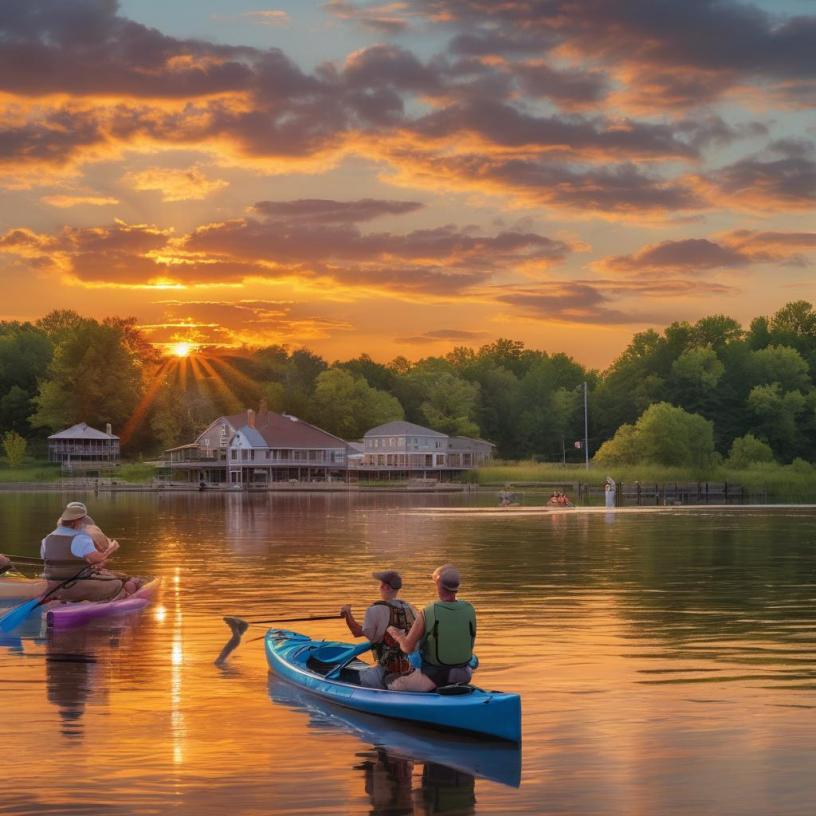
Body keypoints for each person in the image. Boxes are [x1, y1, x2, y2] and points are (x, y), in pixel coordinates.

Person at [386, 564, 476, 692]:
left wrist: (397, 635)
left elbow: (407, 647)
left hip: (435, 678)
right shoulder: (469, 609)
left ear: (439, 585)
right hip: (464, 674)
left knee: (390, 681)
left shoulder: (428, 612)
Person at [40, 501, 143, 602]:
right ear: (76, 522)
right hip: (74, 586)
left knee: (102, 574)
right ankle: (116, 599)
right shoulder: (80, 538)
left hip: (54, 586)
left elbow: (48, 560)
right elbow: (99, 558)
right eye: (82, 521)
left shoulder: (46, 539)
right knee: (118, 584)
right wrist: (112, 547)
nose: (83, 524)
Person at [340, 570, 417, 689]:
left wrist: (347, 613)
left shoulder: (374, 610)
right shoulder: (411, 609)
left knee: (343, 673)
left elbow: (356, 632)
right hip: (408, 669)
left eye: (380, 584)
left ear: (384, 586)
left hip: (383, 674)